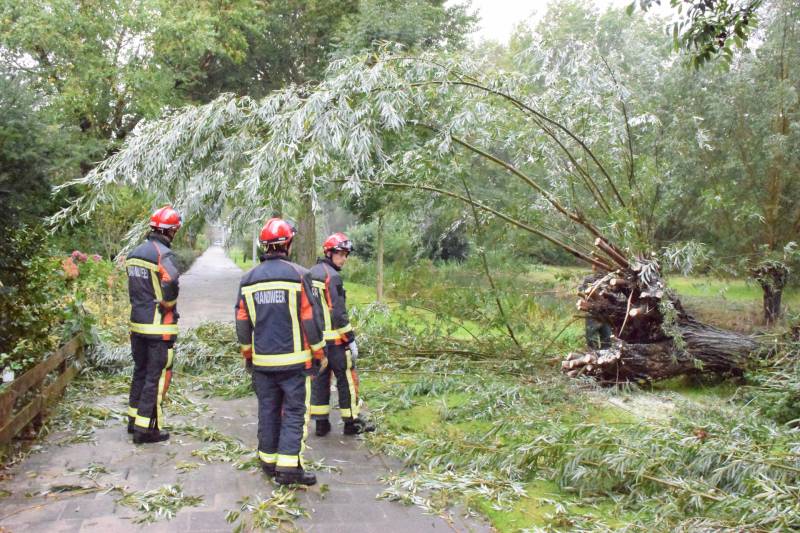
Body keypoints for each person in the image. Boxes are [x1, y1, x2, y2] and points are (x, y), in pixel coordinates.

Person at [235, 218, 326, 486]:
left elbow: (242, 321)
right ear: (287, 243)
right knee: (296, 411)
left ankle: (268, 460)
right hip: (295, 363)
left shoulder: (248, 279)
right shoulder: (299, 274)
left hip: (262, 362)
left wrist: (248, 354)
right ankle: (288, 469)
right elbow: (310, 318)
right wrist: (318, 352)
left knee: (268, 409)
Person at [125, 205, 182, 444]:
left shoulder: (134, 253)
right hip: (159, 327)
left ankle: (133, 420)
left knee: (140, 371)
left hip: (137, 324)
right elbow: (171, 283)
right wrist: (169, 304)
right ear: (171, 231)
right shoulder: (164, 255)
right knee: (155, 376)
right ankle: (146, 430)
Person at [309, 232, 375, 436]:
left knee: (320, 380)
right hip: (336, 342)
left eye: (346, 254)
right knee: (347, 380)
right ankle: (351, 422)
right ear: (329, 253)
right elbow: (338, 313)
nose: (344, 258)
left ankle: (321, 424)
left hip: (317, 342)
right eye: (340, 254)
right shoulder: (333, 277)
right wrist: (351, 339)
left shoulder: (310, 274)